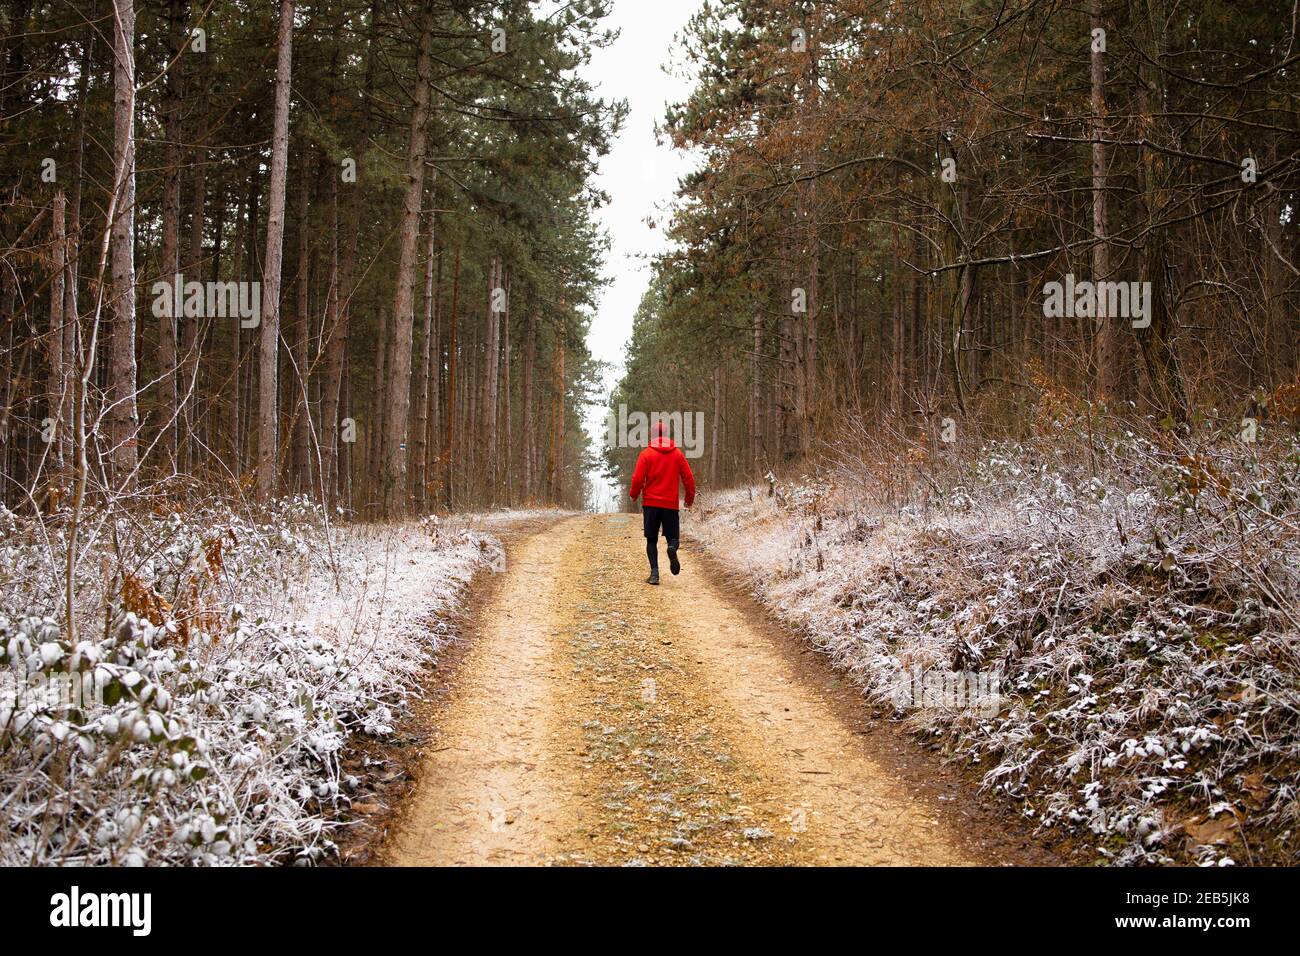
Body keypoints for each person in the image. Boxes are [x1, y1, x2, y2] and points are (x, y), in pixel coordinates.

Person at [629, 419, 696, 585]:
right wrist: (689, 499)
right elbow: (689, 478)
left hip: (651, 505)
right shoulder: (677, 454)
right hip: (670, 505)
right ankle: (672, 548)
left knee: (651, 540)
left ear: (652, 435)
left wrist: (634, 494)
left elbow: (637, 479)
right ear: (667, 435)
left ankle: (654, 574)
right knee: (673, 537)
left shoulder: (646, 454)